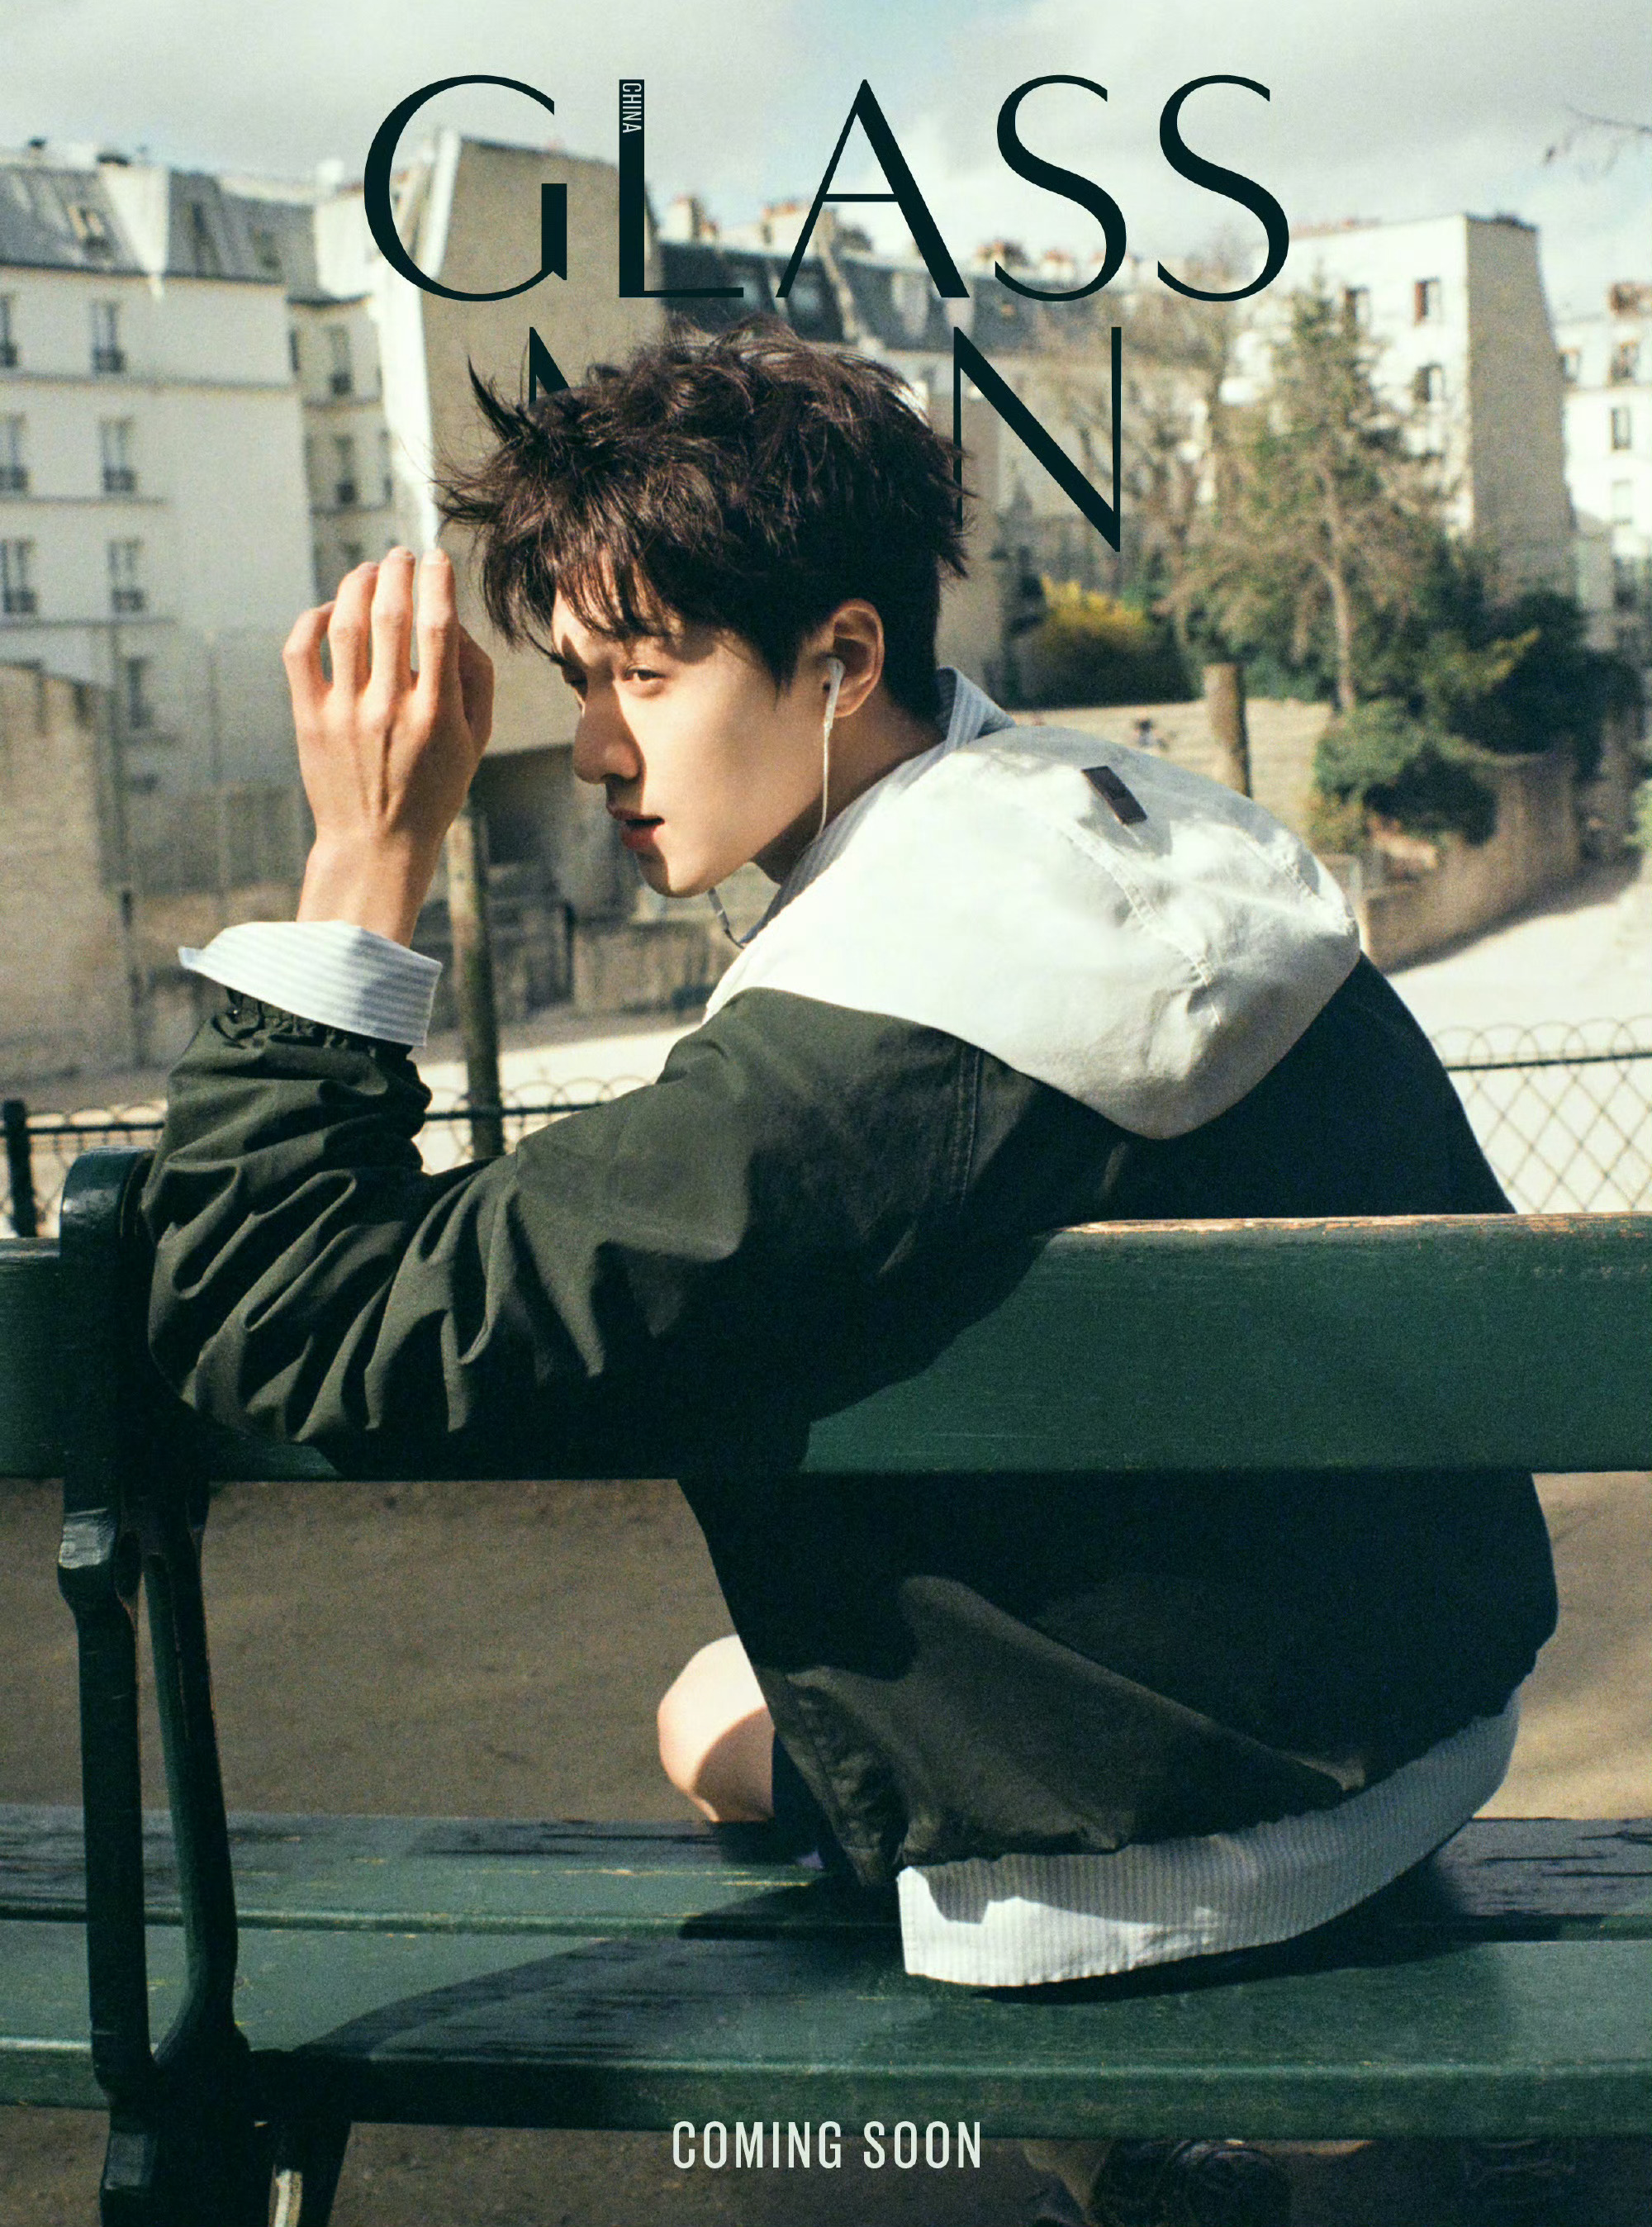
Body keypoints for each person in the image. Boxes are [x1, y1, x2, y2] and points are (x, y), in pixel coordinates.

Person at [143, 322, 1555, 2222]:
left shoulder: (865, 1051)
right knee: (710, 1705)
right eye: (579, 682)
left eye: (647, 675)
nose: (599, 748)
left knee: (720, 1838)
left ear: (843, 657)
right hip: (1413, 1733)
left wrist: (362, 863)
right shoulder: (1133, 830)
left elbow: (289, 1325)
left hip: (1159, 1858)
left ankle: (1074, 2151)